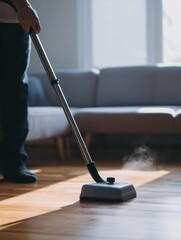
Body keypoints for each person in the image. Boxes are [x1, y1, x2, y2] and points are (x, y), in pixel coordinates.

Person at [0, 0, 41, 183]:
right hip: (13, 15)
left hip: (10, 20)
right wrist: (23, 6)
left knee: (14, 94)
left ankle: (14, 163)